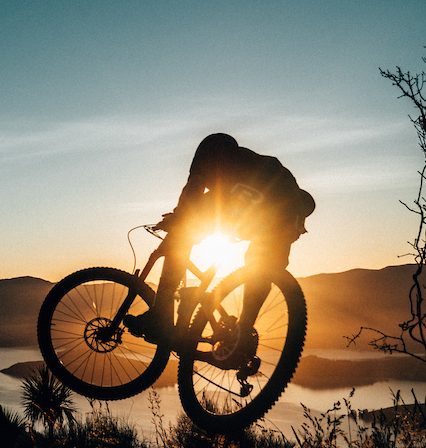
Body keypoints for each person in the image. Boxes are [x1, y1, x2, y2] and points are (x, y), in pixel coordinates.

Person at [130, 133, 315, 343]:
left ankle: (160, 317)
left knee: (180, 236)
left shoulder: (211, 160)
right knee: (262, 267)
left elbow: (193, 191)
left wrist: (177, 218)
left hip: (253, 208)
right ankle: (242, 332)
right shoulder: (258, 163)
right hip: (288, 219)